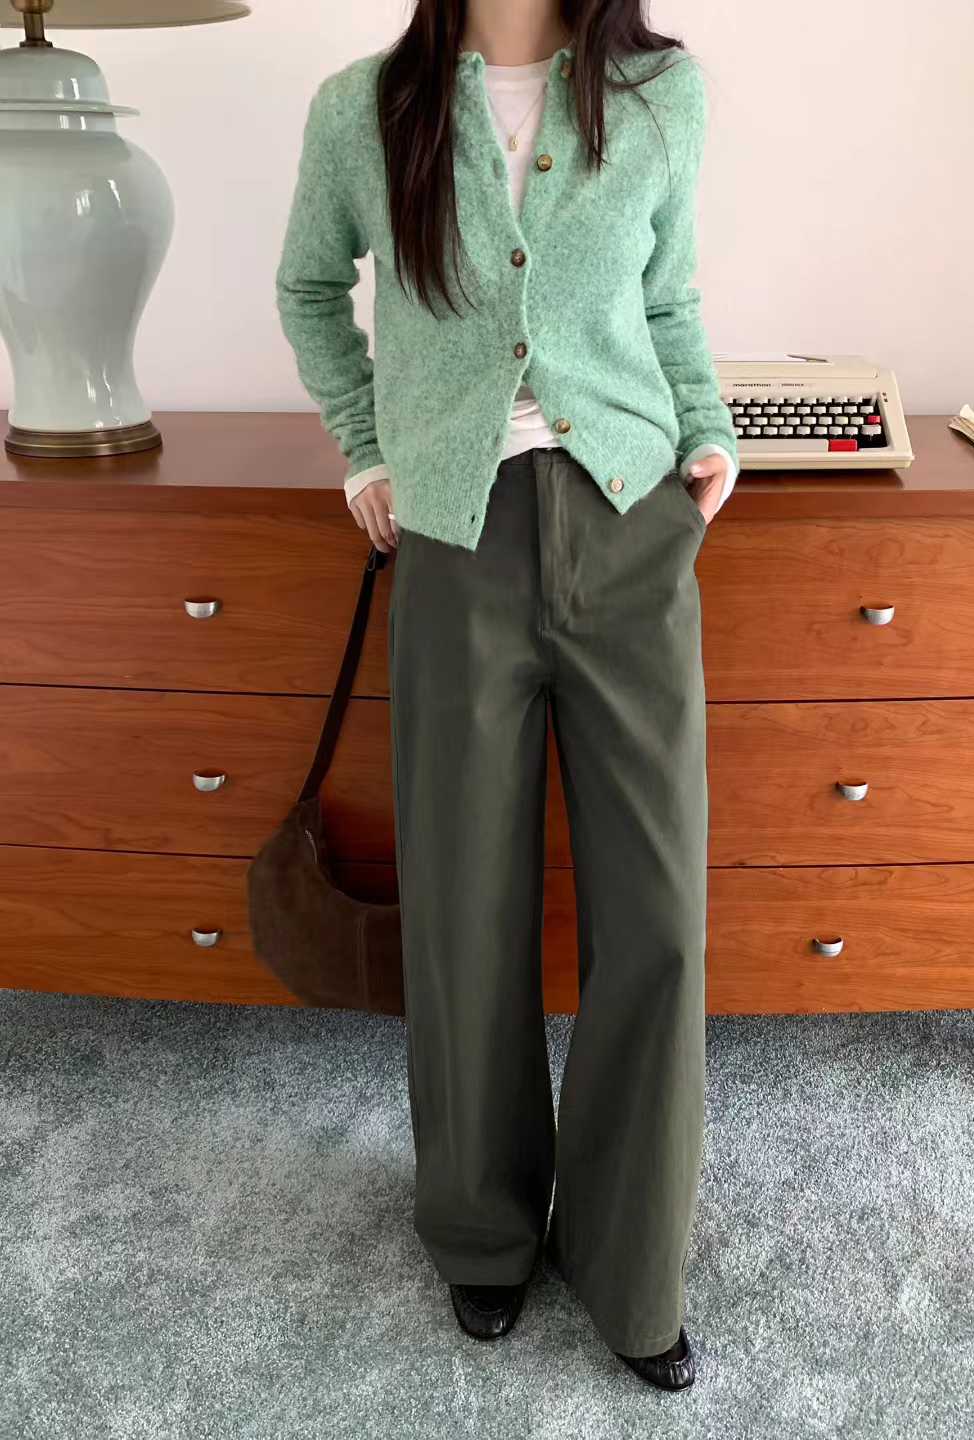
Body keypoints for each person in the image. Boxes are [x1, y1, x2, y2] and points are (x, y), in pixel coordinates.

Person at [275, 0, 740, 1394]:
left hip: (631, 519)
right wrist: (368, 449)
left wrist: (707, 430)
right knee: (464, 901)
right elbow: (309, 288)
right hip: (454, 536)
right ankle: (482, 1230)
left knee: (655, 910)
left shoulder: (660, 95)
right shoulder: (365, 108)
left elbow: (669, 296)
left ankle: (632, 1261)